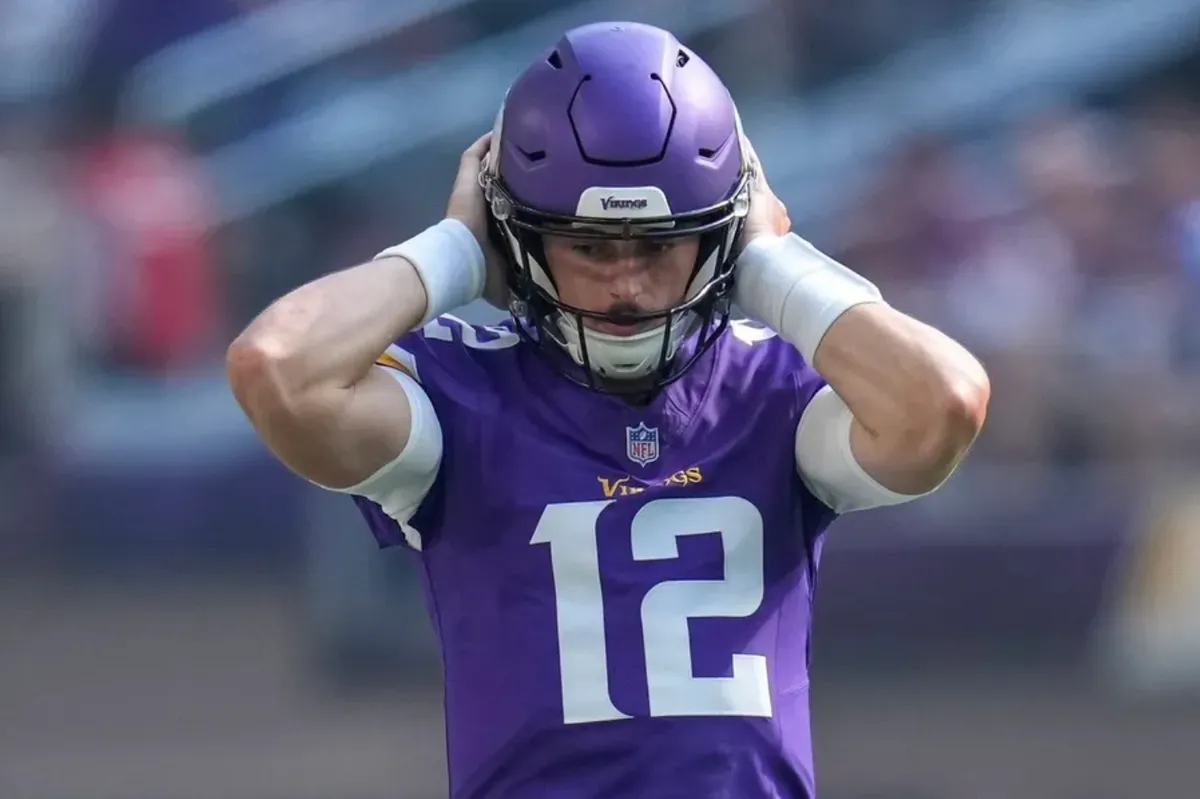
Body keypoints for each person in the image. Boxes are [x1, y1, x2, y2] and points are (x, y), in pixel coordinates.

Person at [227, 21, 990, 799]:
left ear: (720, 234)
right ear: (518, 236)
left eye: (658, 244)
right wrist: (455, 247)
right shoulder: (461, 396)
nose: (625, 283)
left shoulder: (772, 389)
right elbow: (277, 368)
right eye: (589, 246)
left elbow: (943, 405)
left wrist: (768, 261)